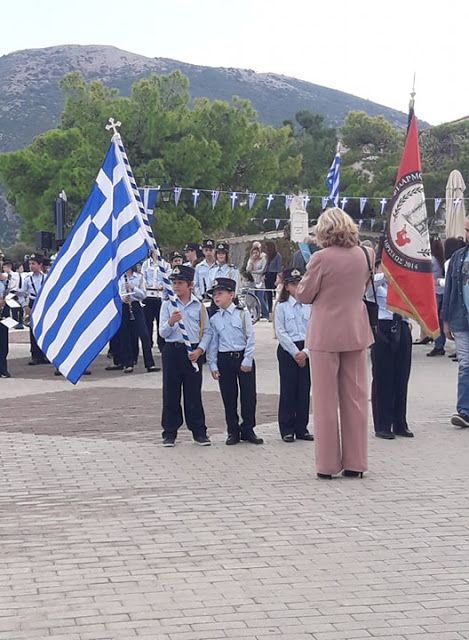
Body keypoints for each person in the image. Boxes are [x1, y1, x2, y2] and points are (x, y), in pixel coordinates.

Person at [296, 207, 374, 479]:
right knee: (356, 399)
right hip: (355, 331)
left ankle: (327, 465)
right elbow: (363, 288)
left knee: (325, 402)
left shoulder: (320, 258)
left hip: (325, 334)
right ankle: (356, 463)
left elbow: (305, 295)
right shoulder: (366, 254)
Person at [159, 265, 212, 447]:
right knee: (170, 393)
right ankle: (169, 432)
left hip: (192, 353)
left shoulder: (199, 306)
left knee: (193, 393)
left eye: (180, 283)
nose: (176, 286)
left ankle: (199, 431)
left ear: (190, 284)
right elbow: (162, 333)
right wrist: (171, 322)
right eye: (174, 283)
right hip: (173, 351)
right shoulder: (167, 305)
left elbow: (207, 332)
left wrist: (200, 350)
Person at [207, 277, 263, 445]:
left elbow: (250, 337)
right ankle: (233, 431)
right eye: (214, 295)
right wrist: (213, 364)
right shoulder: (215, 318)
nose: (216, 298)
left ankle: (248, 429)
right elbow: (213, 344)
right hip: (225, 360)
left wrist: (247, 359)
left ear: (231, 295)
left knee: (248, 396)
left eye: (220, 293)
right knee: (229, 397)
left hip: (243, 357)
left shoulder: (242, 312)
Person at [367, 258, 413, 439]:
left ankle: (400, 422)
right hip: (382, 328)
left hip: (401, 325)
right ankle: (382, 424)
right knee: (383, 377)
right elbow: (367, 291)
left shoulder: (403, 284)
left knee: (401, 376)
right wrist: (384, 275)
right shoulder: (376, 284)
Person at [274, 268, 313, 442]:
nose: (297, 287)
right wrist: (295, 352)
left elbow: (314, 330)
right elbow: (280, 332)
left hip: (307, 349)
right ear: (287, 287)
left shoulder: (310, 306)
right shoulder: (282, 307)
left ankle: (301, 427)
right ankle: (287, 428)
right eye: (293, 284)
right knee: (288, 389)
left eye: (300, 283)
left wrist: (305, 352)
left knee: (304, 390)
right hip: (288, 350)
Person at [442, 218, 469, 428]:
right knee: (465, 364)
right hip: (460, 319)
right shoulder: (458, 258)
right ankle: (464, 411)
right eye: (467, 230)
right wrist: (446, 320)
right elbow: (449, 290)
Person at [24, 254, 48, 365]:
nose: (31, 266)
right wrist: (25, 306)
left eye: (33, 264)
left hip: (43, 303)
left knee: (45, 328)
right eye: (30, 264)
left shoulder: (46, 277)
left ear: (40, 265)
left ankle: (44, 354)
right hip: (33, 302)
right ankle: (35, 355)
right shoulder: (27, 279)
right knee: (33, 329)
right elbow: (21, 294)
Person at [141, 251, 166, 353]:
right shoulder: (146, 264)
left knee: (161, 321)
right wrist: (145, 285)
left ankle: (161, 344)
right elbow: (142, 278)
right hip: (148, 296)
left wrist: (162, 286)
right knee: (148, 322)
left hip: (160, 296)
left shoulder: (165, 264)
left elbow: (168, 278)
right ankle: (148, 344)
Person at [427, 237, 446, 357]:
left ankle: (438, 344)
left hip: (435, 291)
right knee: (441, 319)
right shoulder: (441, 260)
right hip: (443, 290)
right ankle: (440, 343)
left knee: (436, 320)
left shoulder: (432, 260)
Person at [246, 245, 268, 320]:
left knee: (260, 298)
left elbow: (263, 270)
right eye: (254, 253)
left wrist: (254, 272)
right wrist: (251, 262)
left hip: (260, 281)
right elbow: (248, 270)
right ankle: (256, 315)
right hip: (252, 282)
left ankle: (265, 314)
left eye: (257, 252)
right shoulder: (250, 260)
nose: (255, 254)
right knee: (253, 299)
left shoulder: (263, 259)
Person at [263, 240, 282, 318]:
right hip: (268, 276)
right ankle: (270, 313)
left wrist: (278, 278)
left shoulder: (277, 256)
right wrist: (263, 275)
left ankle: (276, 312)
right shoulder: (267, 256)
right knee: (268, 295)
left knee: (275, 294)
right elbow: (266, 267)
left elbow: (279, 268)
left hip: (274, 275)